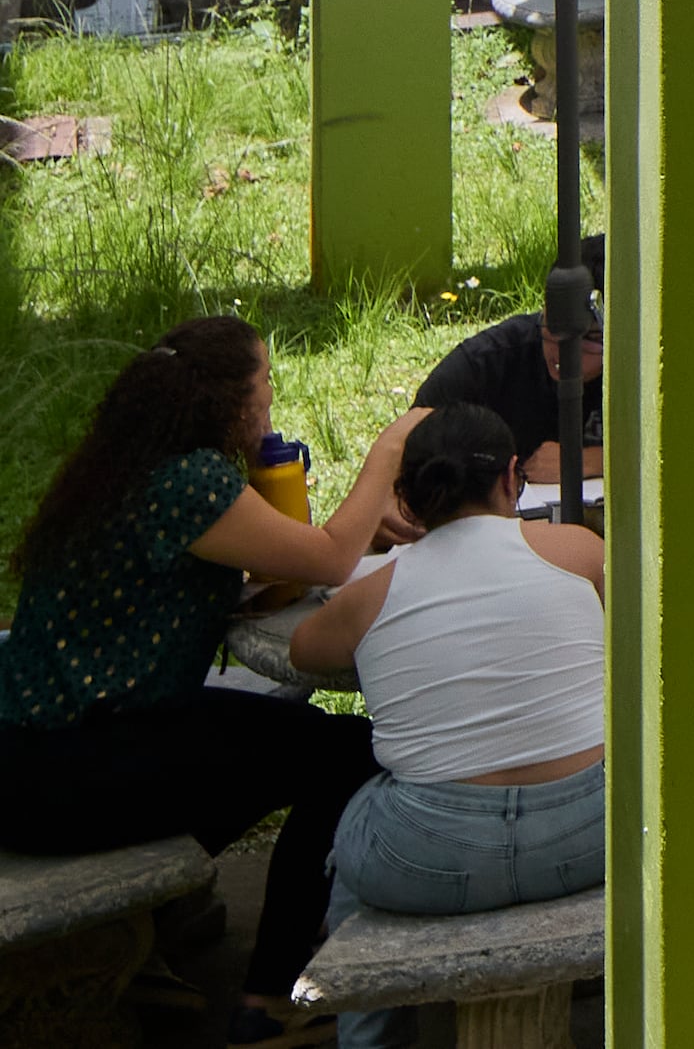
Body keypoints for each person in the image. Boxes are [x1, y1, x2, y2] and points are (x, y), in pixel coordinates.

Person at [0, 319, 420, 1043]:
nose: (269, 404)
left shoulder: (130, 466)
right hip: (71, 772)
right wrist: (387, 452)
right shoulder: (190, 481)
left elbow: (262, 561)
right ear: (226, 403)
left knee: (274, 740)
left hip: (35, 755)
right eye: (264, 388)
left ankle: (155, 935)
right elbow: (323, 558)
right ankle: (271, 998)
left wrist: (352, 533)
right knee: (345, 751)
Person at [288, 406, 603, 1049]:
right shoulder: (578, 550)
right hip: (588, 836)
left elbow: (303, 653)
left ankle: (368, 1035)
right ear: (513, 477)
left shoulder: (368, 596)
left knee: (356, 822)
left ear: (405, 499)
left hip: (427, 860)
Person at [412, 240, 602, 490]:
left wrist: (592, 461)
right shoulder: (489, 363)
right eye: (554, 326)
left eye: (589, 338)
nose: (566, 350)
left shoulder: (649, 375)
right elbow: (406, 442)